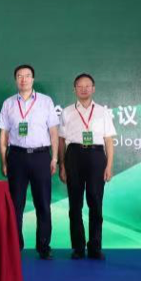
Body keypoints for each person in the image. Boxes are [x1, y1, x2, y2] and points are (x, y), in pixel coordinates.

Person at [0, 64, 59, 259]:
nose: (23, 79)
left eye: (27, 76)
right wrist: (4, 161)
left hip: (41, 156)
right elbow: (3, 134)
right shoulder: (8, 103)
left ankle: (43, 246)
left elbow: (53, 131)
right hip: (16, 157)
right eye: (19, 76)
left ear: (33, 79)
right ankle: (15, 245)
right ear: (15, 79)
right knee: (15, 204)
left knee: (43, 203)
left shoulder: (45, 101)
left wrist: (55, 157)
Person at [57, 74, 116, 260]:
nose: (84, 89)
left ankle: (95, 247)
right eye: (80, 86)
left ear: (93, 88)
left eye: (87, 86)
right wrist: (62, 165)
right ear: (74, 89)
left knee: (95, 203)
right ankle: (78, 247)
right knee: (75, 205)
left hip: (96, 156)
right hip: (73, 155)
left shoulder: (103, 112)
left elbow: (108, 140)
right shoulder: (67, 112)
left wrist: (109, 165)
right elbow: (61, 141)